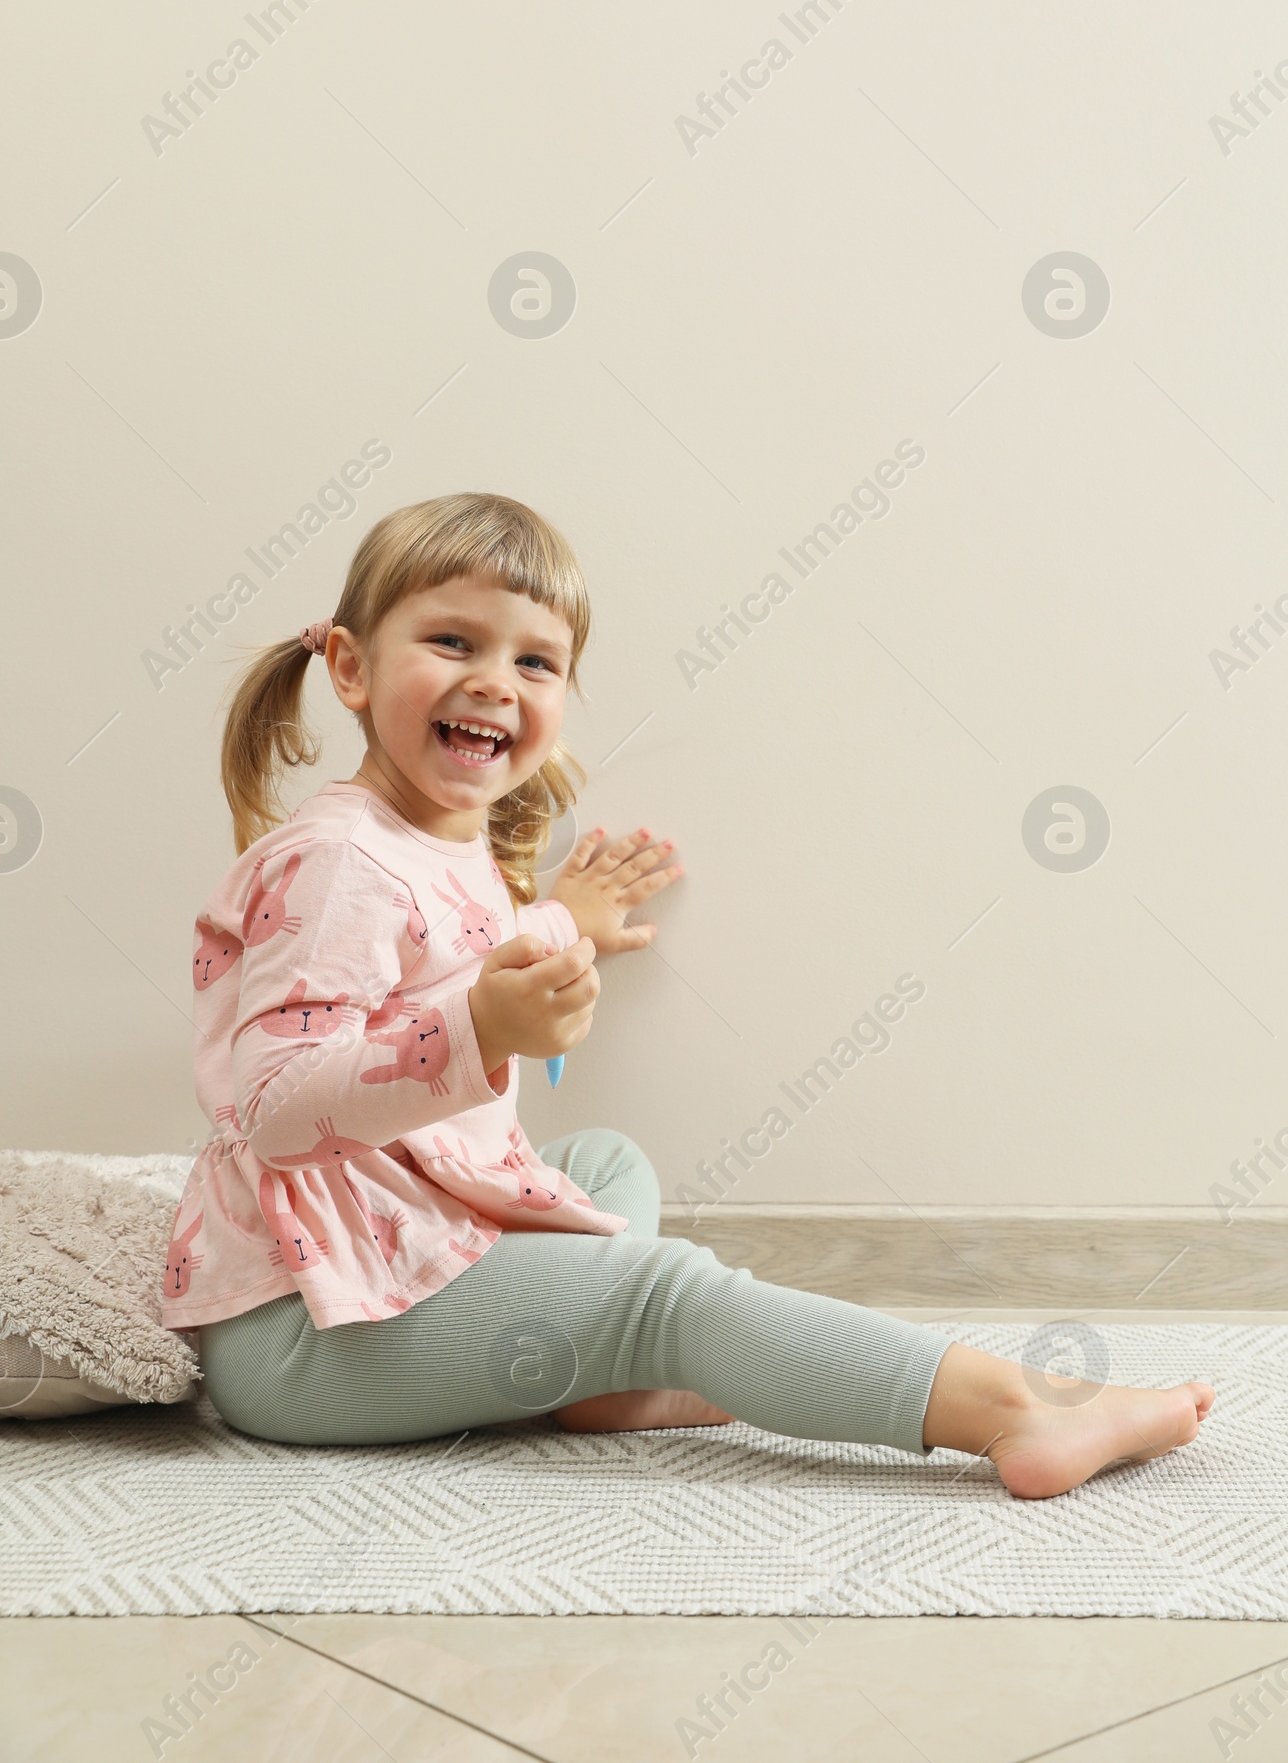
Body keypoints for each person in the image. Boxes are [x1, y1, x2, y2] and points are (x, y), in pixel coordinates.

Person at [165, 490, 1212, 1497]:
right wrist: (479, 1027)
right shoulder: (339, 861)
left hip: (389, 1245)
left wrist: (562, 924)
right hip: (309, 1330)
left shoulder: (437, 845)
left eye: (534, 661)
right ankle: (1015, 1412)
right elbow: (274, 1108)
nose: (495, 681)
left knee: (604, 1162)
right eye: (453, 643)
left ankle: (592, 1385)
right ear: (349, 666)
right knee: (664, 1294)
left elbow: (444, 954)